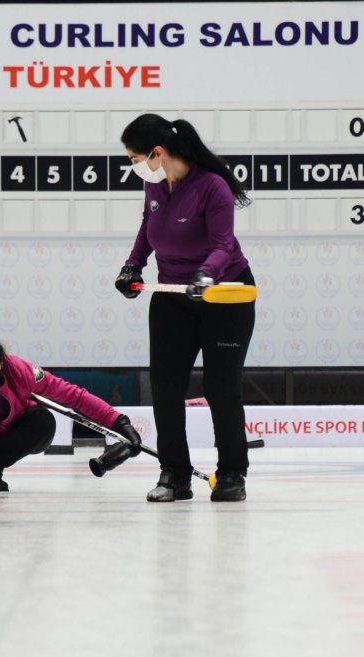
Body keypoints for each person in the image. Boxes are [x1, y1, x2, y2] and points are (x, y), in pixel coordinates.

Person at [115, 114, 254, 503]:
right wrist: (132, 266)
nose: (134, 166)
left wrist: (205, 274)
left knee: (221, 386)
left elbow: (223, 244)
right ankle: (174, 474)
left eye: (135, 158)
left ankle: (232, 474)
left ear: (157, 152)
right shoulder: (154, 183)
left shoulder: (213, 186)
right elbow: (148, 226)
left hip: (224, 294)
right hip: (172, 294)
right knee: (165, 385)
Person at [0, 311, 141, 492]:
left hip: (14, 437)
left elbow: (72, 395)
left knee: (43, 420)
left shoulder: (20, 371)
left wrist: (118, 422)